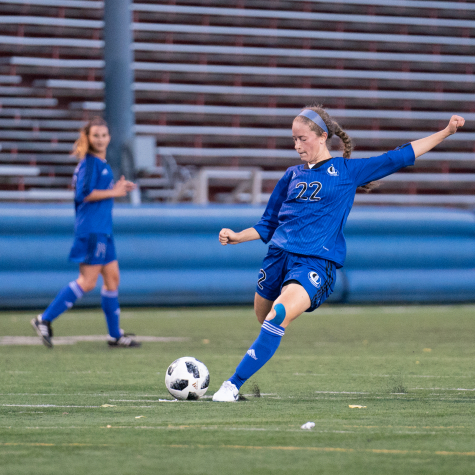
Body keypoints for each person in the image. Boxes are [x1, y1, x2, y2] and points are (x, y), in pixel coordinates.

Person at [212, 105, 465, 402]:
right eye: (293, 140)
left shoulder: (346, 171)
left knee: (278, 314)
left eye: (302, 138)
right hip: (276, 257)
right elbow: (268, 223)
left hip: (315, 262)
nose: (296, 146)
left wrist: (446, 132)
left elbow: (400, 156)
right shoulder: (291, 175)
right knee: (264, 318)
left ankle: (230, 386)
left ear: (321, 137)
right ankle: (250, 364)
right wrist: (237, 236)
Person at [31, 117, 141, 348]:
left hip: (103, 230)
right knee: (88, 281)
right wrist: (114, 192)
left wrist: (115, 190)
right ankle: (44, 319)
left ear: (109, 137)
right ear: (88, 138)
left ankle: (114, 335)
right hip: (92, 231)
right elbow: (84, 194)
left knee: (112, 279)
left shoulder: (101, 163)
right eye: (96, 135)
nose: (100, 139)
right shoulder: (90, 163)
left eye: (103, 135)